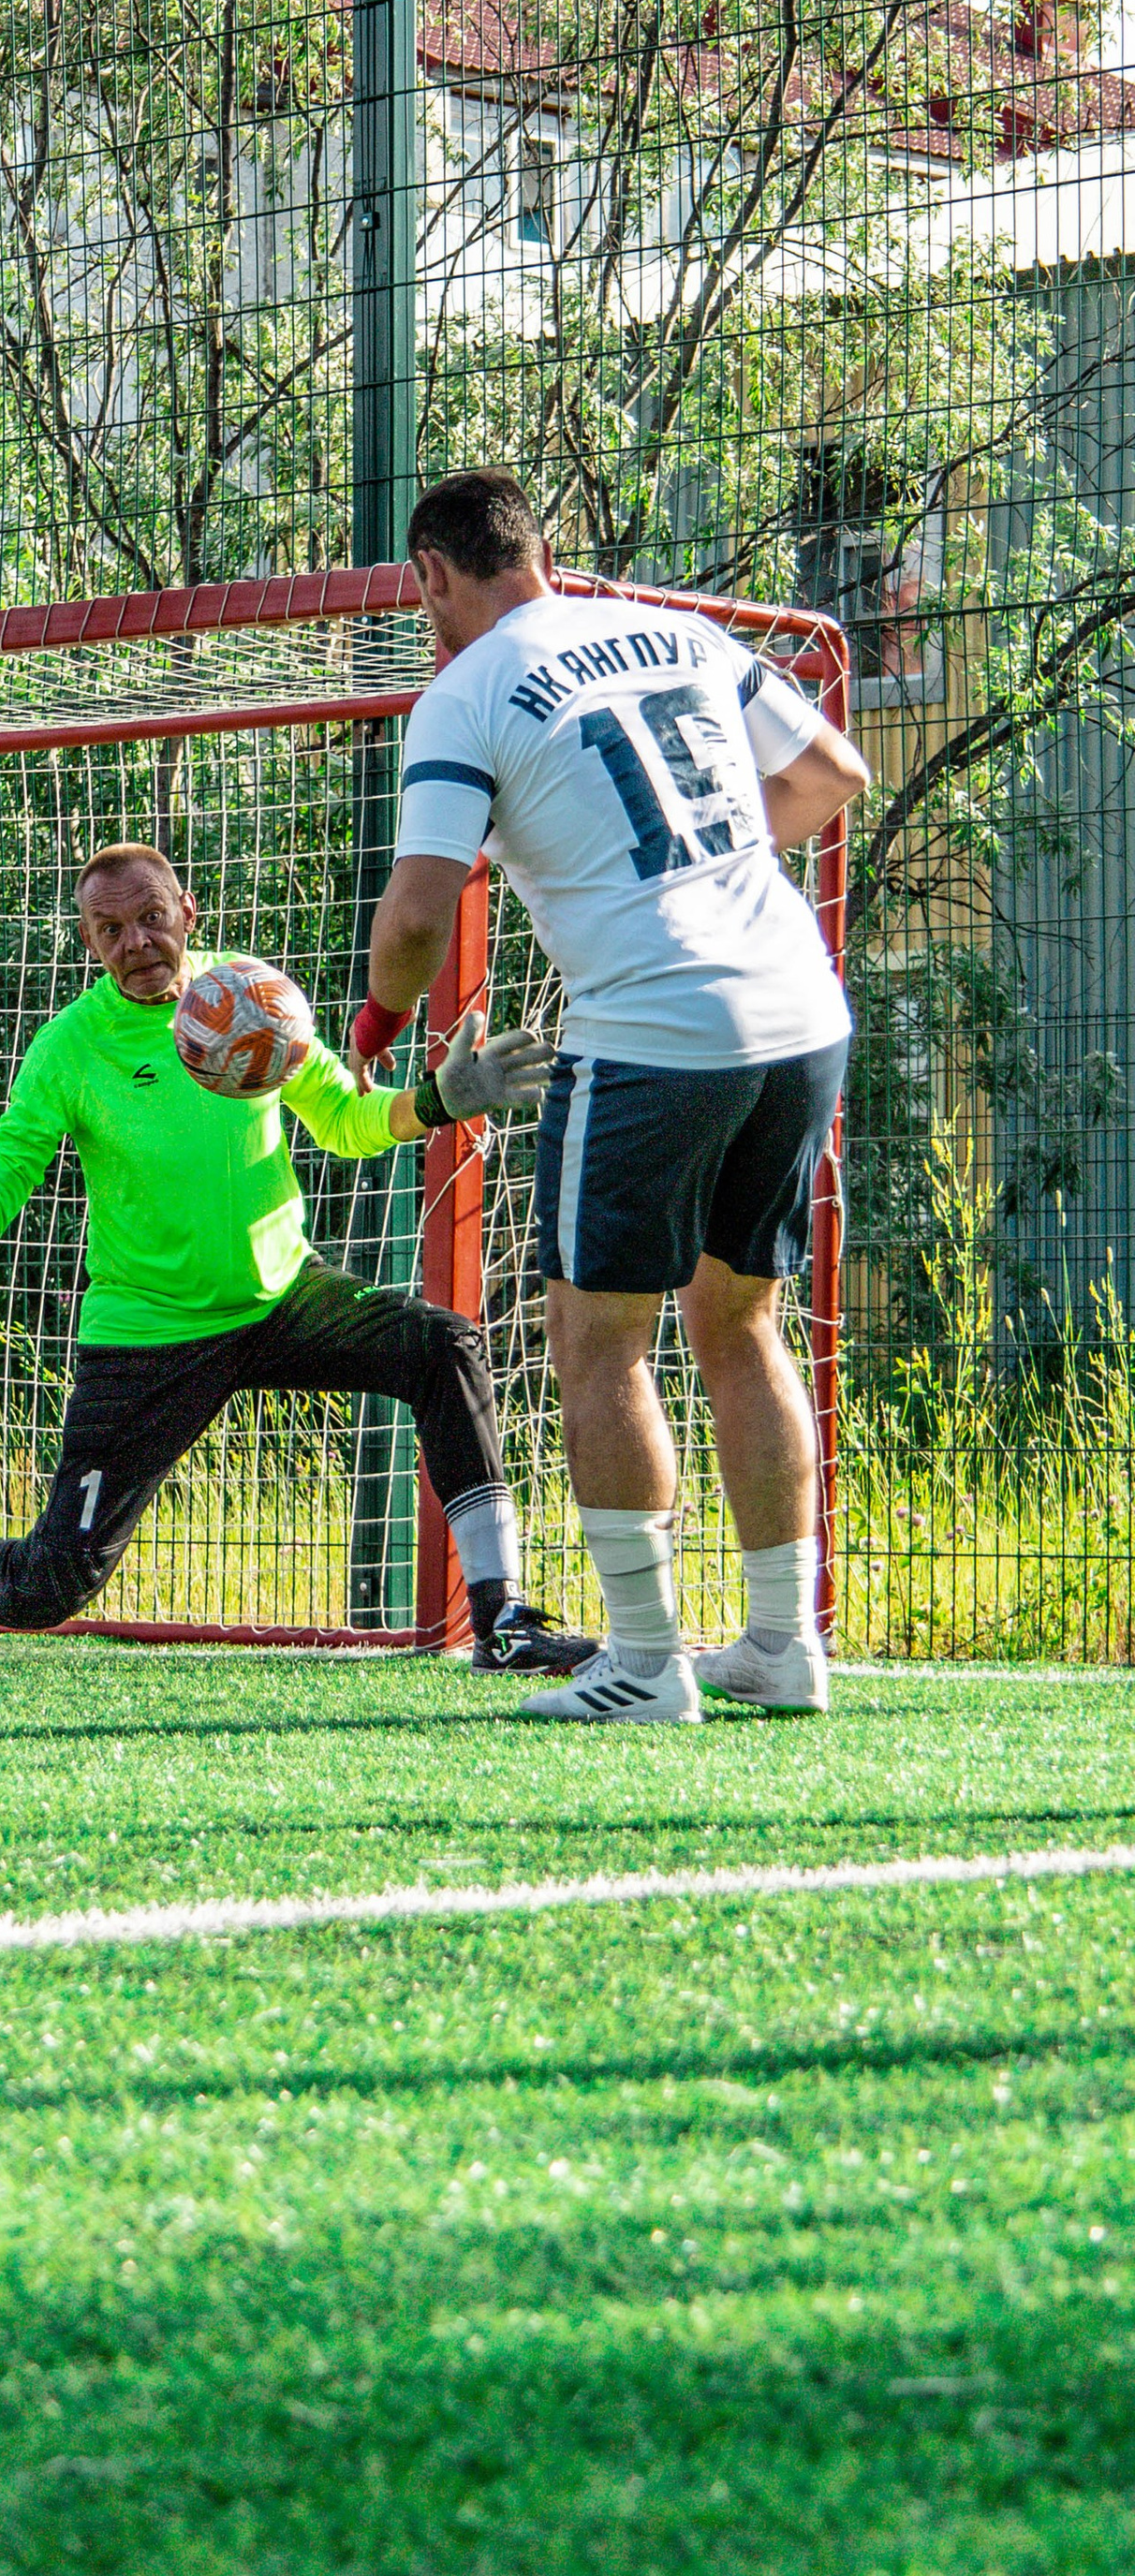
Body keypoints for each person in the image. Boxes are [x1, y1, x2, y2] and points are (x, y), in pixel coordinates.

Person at [0, 841, 596, 1671]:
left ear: (188, 915)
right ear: (90, 946)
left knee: (443, 1346)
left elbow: (346, 1123)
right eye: (110, 931)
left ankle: (504, 1623)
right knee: (53, 1581)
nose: (136, 943)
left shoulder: (251, 997)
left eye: (150, 918)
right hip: (149, 1333)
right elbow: (3, 1178)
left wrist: (435, 1101)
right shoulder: (70, 1049)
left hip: (281, 1296)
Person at [350, 470, 871, 1724]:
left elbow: (421, 911)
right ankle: (781, 1647)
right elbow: (833, 773)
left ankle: (643, 1664)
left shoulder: (462, 694)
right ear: (538, 550)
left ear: (432, 575)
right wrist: (702, 871)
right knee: (742, 1322)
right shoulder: (680, 633)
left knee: (599, 1340)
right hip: (800, 1008)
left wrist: (375, 1026)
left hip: (656, 1031)